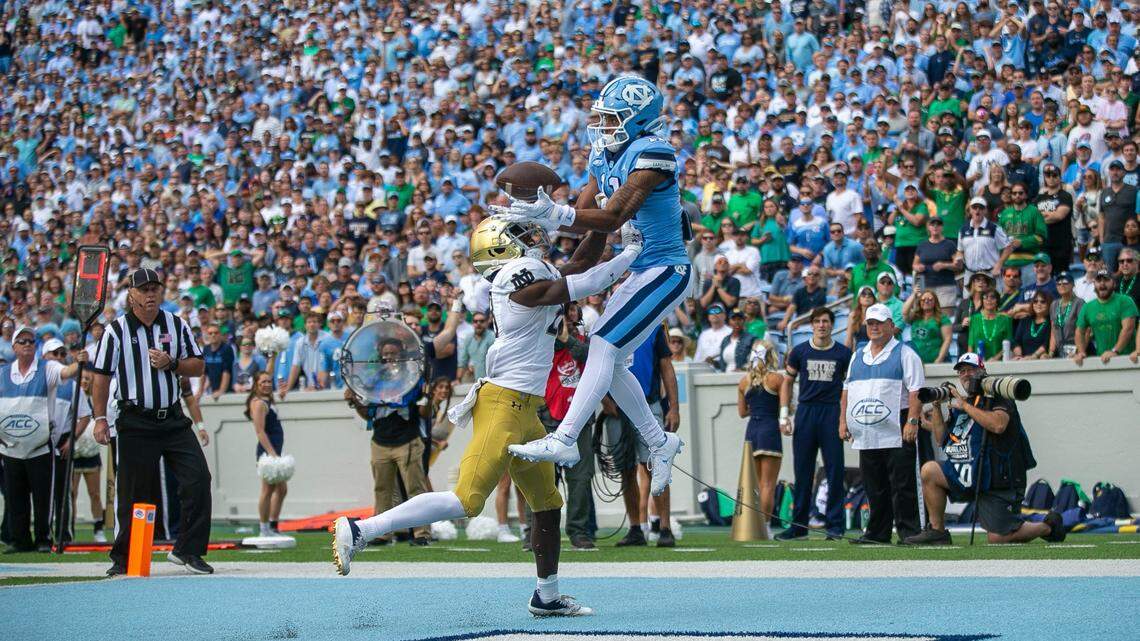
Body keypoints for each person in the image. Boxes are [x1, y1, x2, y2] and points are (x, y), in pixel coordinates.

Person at [334, 217, 642, 617]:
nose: (532, 238)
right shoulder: (513, 278)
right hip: (502, 405)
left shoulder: (528, 273)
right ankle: (361, 530)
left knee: (548, 505)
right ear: (499, 249)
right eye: (519, 236)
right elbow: (583, 283)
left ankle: (546, 596)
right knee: (467, 500)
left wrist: (604, 224)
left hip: (526, 409)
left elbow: (579, 265)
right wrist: (632, 252)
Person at [500, 77, 687, 496]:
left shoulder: (653, 153)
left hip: (666, 268)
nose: (601, 124)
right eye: (600, 116)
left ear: (637, 120)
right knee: (613, 360)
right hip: (637, 268)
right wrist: (557, 273)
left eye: (610, 117)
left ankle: (566, 438)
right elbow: (590, 226)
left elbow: (614, 216)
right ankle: (659, 442)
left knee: (602, 345)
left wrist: (558, 214)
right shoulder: (604, 155)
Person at [89, 268, 211, 576]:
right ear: (131, 295)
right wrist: (100, 418)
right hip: (135, 420)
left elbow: (197, 366)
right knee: (133, 492)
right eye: (144, 289)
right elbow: (100, 377)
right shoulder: (115, 331)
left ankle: (188, 550)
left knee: (198, 478)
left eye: (155, 288)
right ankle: (123, 558)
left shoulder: (176, 324)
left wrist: (172, 363)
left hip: (171, 416)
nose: (151, 294)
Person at [905, 353, 1066, 545]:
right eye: (961, 371)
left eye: (970, 370)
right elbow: (942, 440)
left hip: (998, 479)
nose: (965, 375)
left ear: (982, 371)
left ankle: (1047, 526)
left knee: (997, 538)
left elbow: (998, 425)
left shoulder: (998, 396)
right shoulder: (965, 404)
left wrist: (964, 405)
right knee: (930, 470)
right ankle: (937, 532)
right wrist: (938, 406)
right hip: (968, 473)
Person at [839, 303, 925, 545]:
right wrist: (843, 421)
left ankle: (909, 532)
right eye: (870, 323)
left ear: (891, 326)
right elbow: (846, 390)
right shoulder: (858, 354)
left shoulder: (905, 353)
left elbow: (917, 391)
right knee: (873, 483)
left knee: (902, 482)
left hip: (897, 424)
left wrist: (913, 421)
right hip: (866, 429)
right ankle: (877, 532)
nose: (874, 327)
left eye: (879, 323)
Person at [0, 326, 83, 552]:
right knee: (15, 497)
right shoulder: (3, 373)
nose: (27, 344)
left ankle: (43, 539)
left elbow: (67, 373)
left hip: (39, 446)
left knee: (43, 496)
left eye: (31, 341)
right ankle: (19, 540)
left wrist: (80, 361)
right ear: (14, 347)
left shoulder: (48, 368)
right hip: (11, 447)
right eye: (23, 341)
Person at [779, 307, 851, 540]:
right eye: (817, 321)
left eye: (826, 321)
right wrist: (783, 415)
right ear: (811, 325)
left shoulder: (843, 353)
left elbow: (848, 389)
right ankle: (799, 525)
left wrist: (844, 418)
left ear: (832, 324)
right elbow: (786, 383)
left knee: (835, 471)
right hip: (806, 412)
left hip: (831, 412)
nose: (822, 325)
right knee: (803, 471)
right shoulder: (799, 351)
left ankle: (835, 526)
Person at [737, 340, 787, 533]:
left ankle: (754, 526)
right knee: (768, 484)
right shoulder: (777, 379)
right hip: (769, 429)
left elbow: (742, 413)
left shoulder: (743, 381)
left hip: (752, 431)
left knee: (756, 484)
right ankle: (764, 527)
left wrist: (756, 407)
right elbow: (785, 407)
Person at [246, 371, 287, 537]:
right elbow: (260, 431)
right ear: (256, 384)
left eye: (269, 381)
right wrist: (272, 455)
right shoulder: (258, 403)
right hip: (267, 453)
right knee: (267, 490)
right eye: (263, 382)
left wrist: (273, 355)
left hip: (275, 451)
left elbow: (268, 367)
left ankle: (273, 526)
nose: (267, 384)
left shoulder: (268, 400)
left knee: (281, 489)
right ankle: (264, 529)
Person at [1074, 269, 1139, 366]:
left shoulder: (1125, 301)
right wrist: (1081, 351)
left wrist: (1115, 351)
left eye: (1106, 280)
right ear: (1094, 284)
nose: (1102, 284)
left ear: (1114, 283)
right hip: (1102, 360)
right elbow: (1080, 331)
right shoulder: (1088, 307)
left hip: (1128, 359)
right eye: (1099, 281)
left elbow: (1128, 328)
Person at [904, 289, 953, 364]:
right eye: (923, 300)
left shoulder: (943, 318)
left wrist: (939, 359)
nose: (926, 301)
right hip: (917, 362)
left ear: (935, 302)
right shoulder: (915, 317)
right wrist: (914, 295)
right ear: (919, 302)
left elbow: (947, 339)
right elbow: (904, 312)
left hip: (937, 361)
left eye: (930, 299)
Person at [967, 289, 1014, 361]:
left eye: (992, 297)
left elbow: (1008, 345)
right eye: (985, 297)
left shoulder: (1006, 319)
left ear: (997, 301)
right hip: (978, 364)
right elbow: (971, 345)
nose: (989, 300)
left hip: (999, 363)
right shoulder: (974, 319)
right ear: (982, 301)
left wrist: (995, 359)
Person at [1049, 272, 1084, 358]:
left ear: (1072, 285)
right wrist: (1050, 353)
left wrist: (1079, 351)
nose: (1062, 285)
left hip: (1076, 349)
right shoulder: (1054, 304)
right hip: (1060, 350)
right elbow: (1053, 330)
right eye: (1058, 283)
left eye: (1065, 282)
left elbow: (1086, 330)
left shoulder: (1079, 303)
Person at [1012, 292, 1053, 359]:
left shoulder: (1051, 322)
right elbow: (1016, 342)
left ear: (1049, 304)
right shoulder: (1025, 321)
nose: (1038, 304)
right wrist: (1019, 356)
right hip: (1024, 360)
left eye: (1043, 302)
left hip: (1043, 360)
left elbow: (1047, 344)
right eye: (1035, 301)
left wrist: (1033, 356)